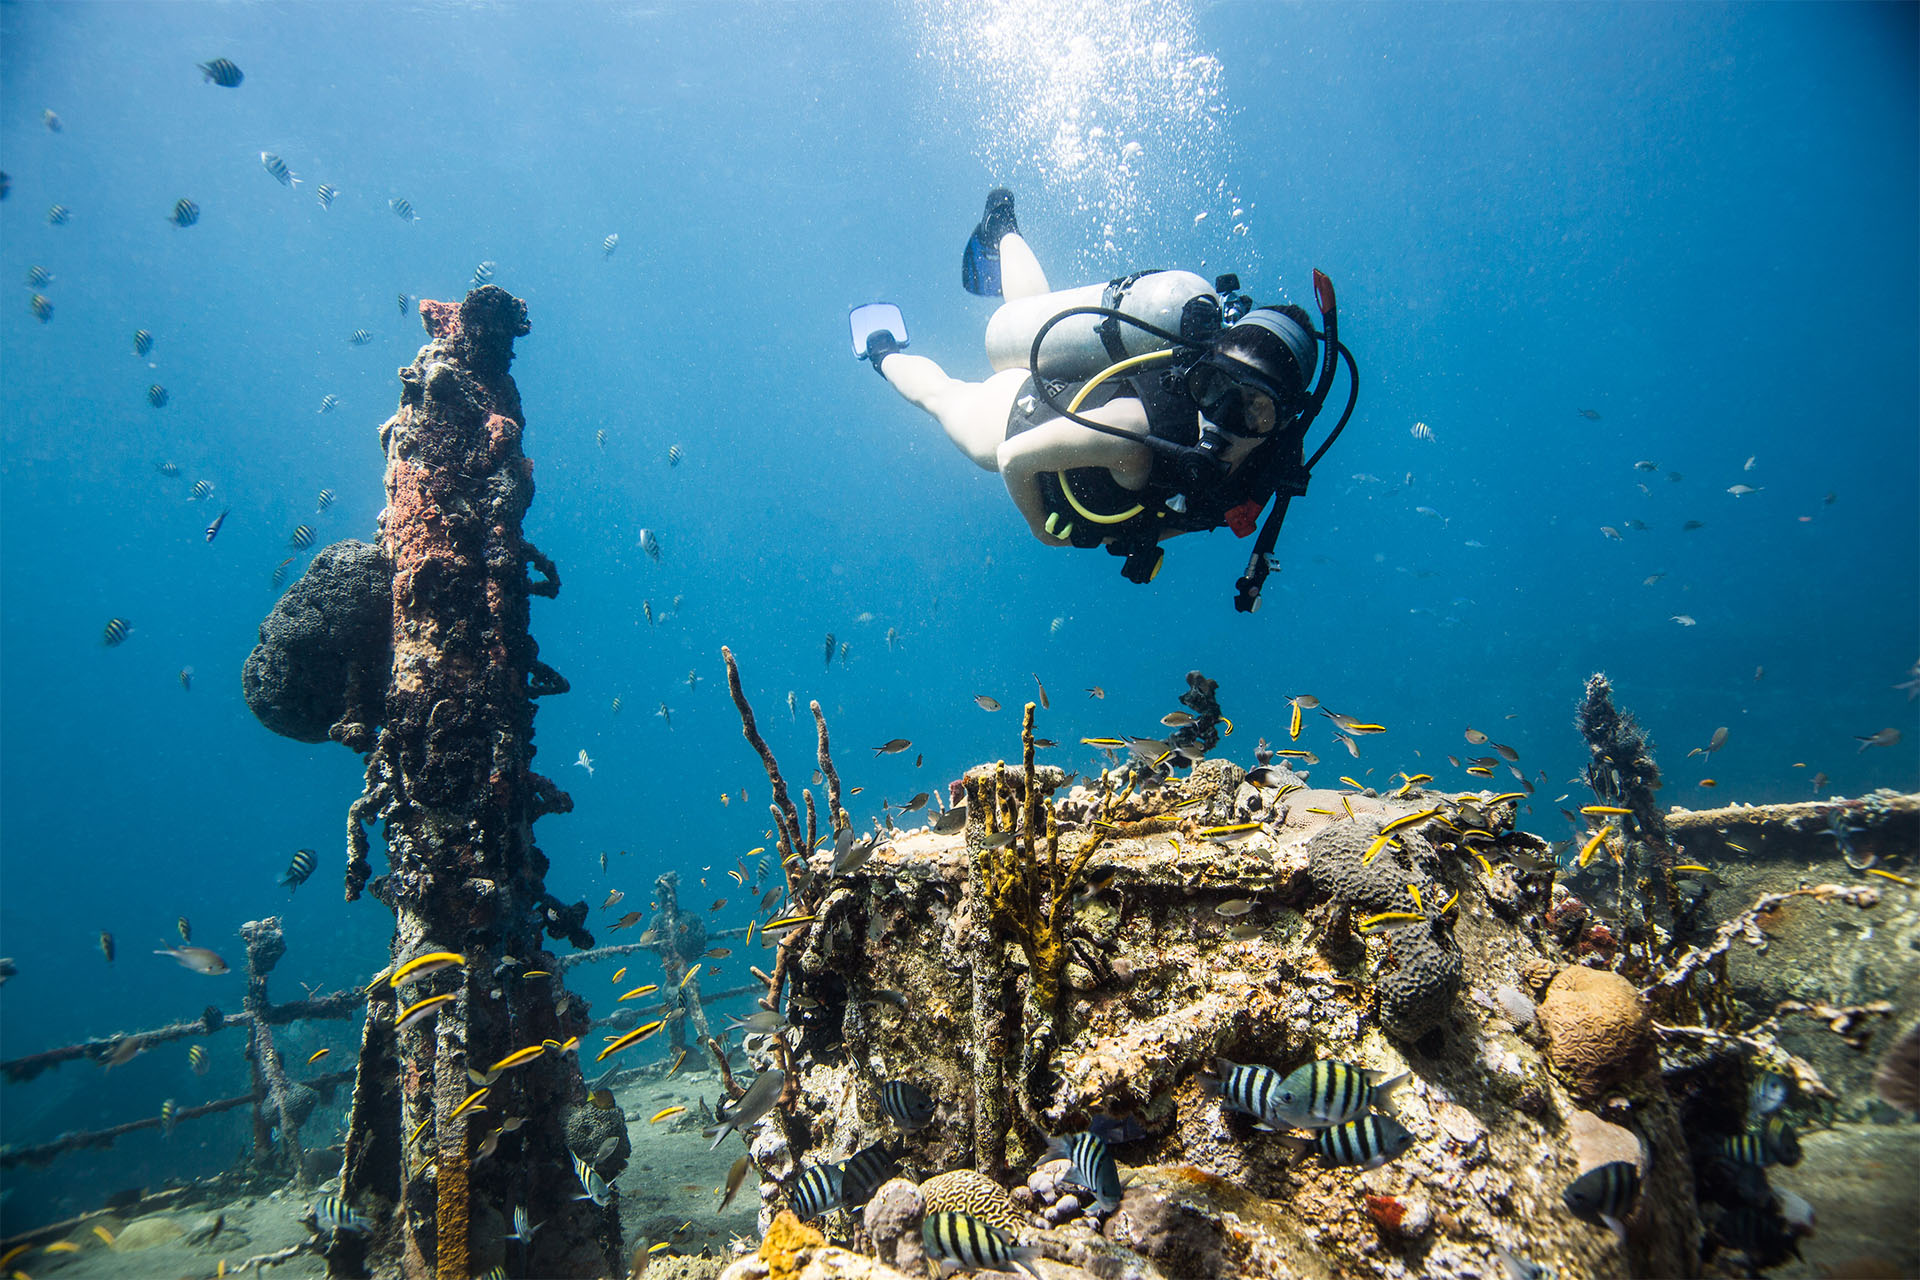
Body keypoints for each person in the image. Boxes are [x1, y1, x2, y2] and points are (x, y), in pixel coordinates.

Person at [852, 188, 1357, 612]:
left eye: (1256, 412)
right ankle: (883, 350)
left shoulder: (1268, 470)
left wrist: (1144, 538)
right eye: (1214, 390)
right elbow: (1012, 458)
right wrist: (1041, 531)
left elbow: (1197, 510)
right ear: (1199, 376)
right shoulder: (1140, 430)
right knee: (944, 398)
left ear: (1284, 423)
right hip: (1023, 416)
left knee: (1027, 311)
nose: (1223, 418)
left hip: (1090, 466)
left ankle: (1002, 227)